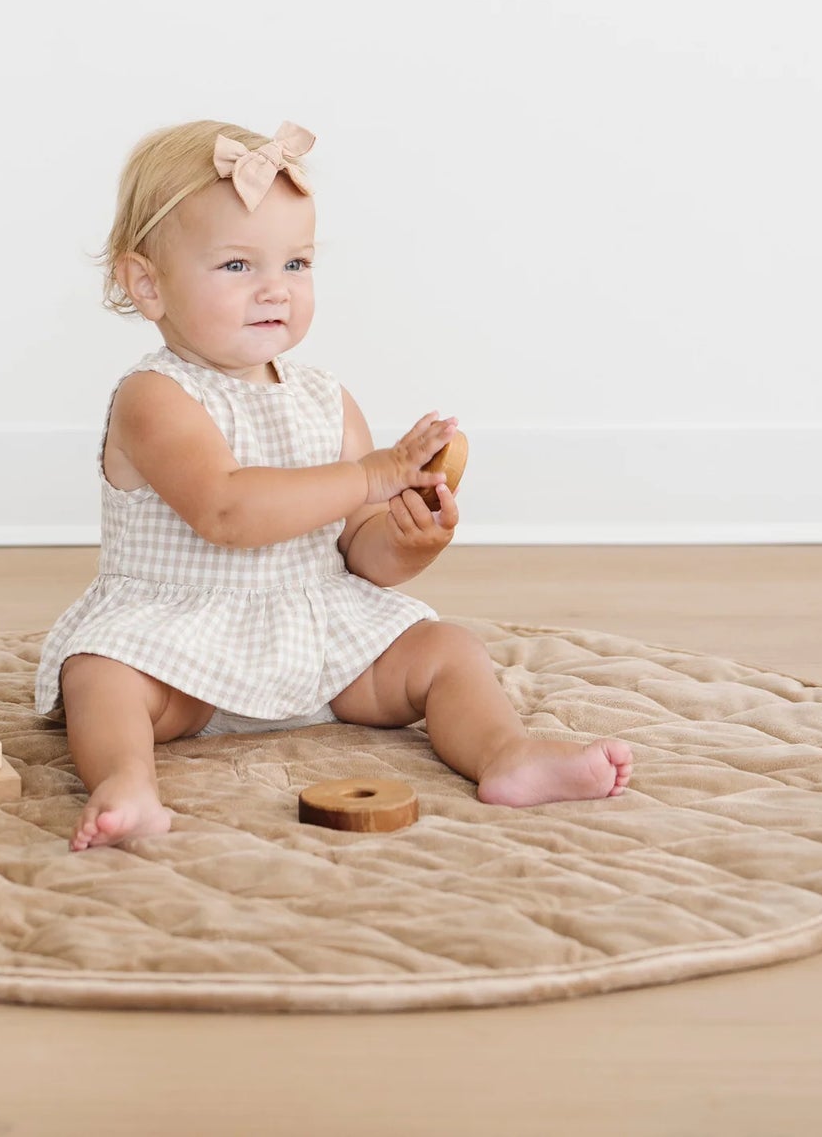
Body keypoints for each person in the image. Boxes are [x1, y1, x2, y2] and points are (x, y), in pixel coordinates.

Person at [37, 119, 632, 850]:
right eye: (235, 266)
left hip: (312, 631)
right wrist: (370, 473)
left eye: (295, 264)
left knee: (445, 647)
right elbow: (226, 509)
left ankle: (505, 754)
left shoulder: (323, 395)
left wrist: (408, 537)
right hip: (178, 647)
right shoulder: (155, 397)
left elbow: (360, 553)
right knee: (99, 677)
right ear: (146, 284)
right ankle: (125, 781)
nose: (273, 290)